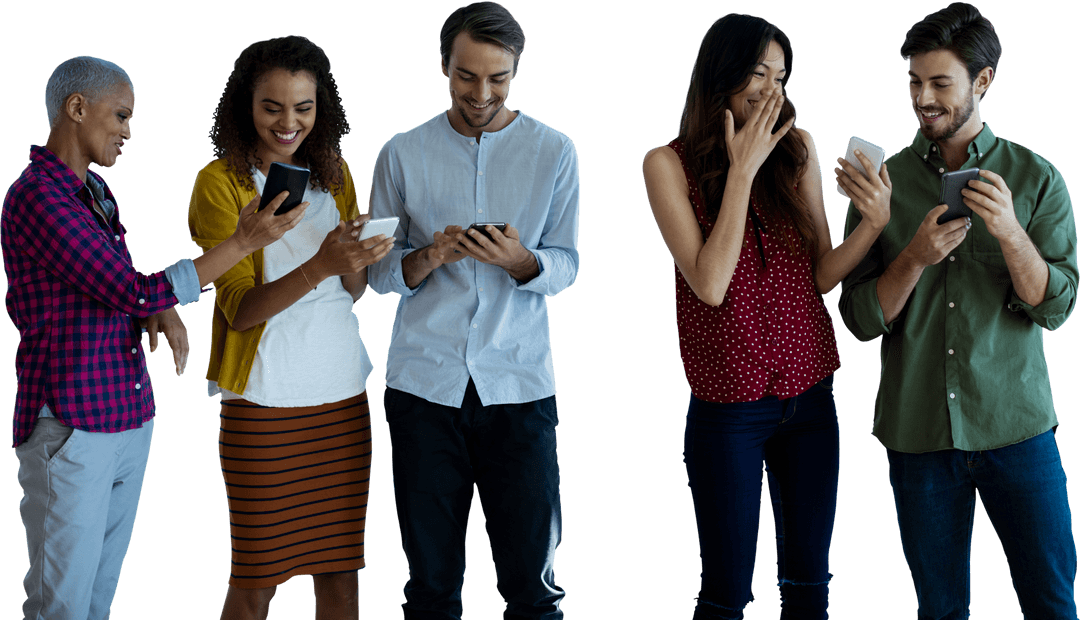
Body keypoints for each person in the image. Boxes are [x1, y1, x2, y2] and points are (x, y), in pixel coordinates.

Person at [2, 56, 304, 620]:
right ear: (76, 108)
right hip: (73, 427)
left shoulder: (94, 193)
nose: (128, 130)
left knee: (96, 598)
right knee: (60, 605)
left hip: (124, 416)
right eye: (120, 115)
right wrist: (240, 244)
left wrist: (154, 310)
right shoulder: (39, 198)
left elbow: (114, 292)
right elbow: (131, 290)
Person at [642, 13, 893, 620]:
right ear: (721, 73)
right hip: (729, 408)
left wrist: (877, 222)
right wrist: (742, 170)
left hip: (811, 395)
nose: (770, 88)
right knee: (726, 593)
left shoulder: (797, 148)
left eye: (780, 75)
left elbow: (824, 273)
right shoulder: (665, 164)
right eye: (758, 72)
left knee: (809, 584)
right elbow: (709, 282)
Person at [838, 3, 1079, 618]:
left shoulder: (1037, 179)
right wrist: (914, 257)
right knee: (940, 610)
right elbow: (860, 319)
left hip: (1018, 430)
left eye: (940, 83)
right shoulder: (882, 182)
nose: (922, 98)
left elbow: (1057, 306)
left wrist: (1011, 233)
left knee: (1053, 604)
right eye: (914, 82)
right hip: (917, 434)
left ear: (982, 81)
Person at [367, 3, 579, 618]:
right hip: (422, 391)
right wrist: (430, 254)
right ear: (442, 67)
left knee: (534, 591)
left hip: (519, 387)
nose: (481, 93)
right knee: (431, 589)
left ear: (515, 71)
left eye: (498, 79)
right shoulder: (401, 153)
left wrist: (521, 262)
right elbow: (378, 274)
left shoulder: (555, 150)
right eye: (466, 76)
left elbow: (567, 262)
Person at [187, 36, 393, 620]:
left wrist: (357, 261)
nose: (288, 123)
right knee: (256, 587)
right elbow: (238, 310)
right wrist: (322, 263)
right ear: (244, 105)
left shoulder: (334, 174)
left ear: (321, 107)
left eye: (303, 108)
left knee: (342, 582)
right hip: (263, 405)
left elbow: (349, 291)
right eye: (271, 106)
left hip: (341, 400)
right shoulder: (220, 184)